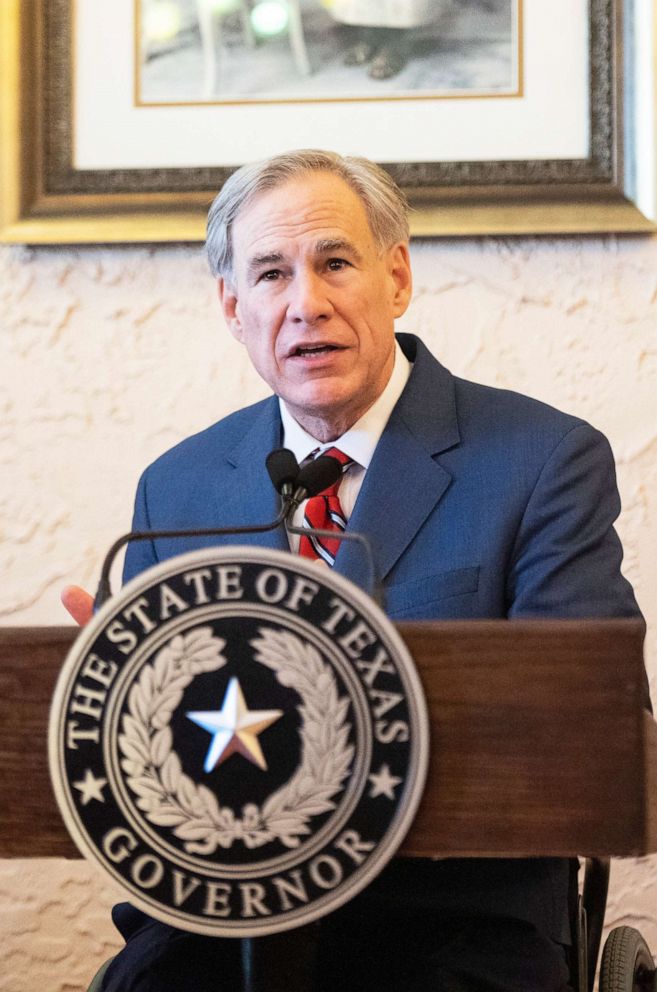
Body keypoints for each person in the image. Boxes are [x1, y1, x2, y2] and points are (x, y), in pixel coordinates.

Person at [64, 149, 645, 991]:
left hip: (451, 921)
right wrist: (114, 700)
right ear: (233, 307)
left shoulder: (543, 460)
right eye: (270, 274)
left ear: (395, 277)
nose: (307, 304)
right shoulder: (180, 486)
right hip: (223, 921)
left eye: (334, 262)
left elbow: (594, 731)